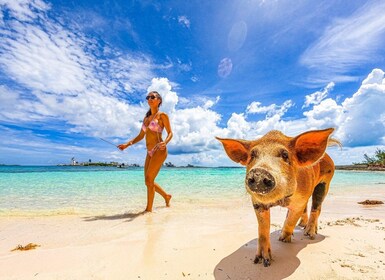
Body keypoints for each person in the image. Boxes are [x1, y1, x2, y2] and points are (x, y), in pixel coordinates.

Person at [118, 91, 173, 212]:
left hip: (159, 150)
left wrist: (165, 142)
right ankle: (166, 196)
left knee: (149, 179)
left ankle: (148, 210)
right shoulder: (146, 119)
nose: (149, 99)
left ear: (159, 100)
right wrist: (127, 144)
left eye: (152, 97)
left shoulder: (162, 115)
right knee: (148, 181)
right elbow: (140, 136)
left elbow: (170, 133)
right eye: (148, 97)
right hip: (149, 152)